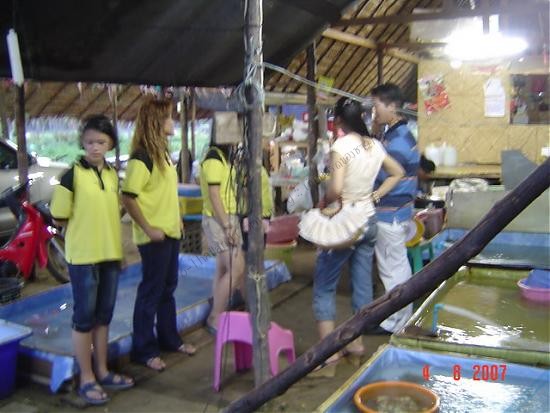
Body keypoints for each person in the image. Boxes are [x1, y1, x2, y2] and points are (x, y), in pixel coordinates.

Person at [300, 97, 404, 371]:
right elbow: (397, 172)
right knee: (362, 284)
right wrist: (375, 195)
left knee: (325, 284)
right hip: (368, 220)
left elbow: (335, 189)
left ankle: (329, 353)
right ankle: (356, 344)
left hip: (344, 222)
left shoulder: (342, 146)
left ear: (338, 121)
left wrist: (325, 202)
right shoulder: (374, 145)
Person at [50, 115, 134, 405]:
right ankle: (86, 378)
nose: (95, 147)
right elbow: (58, 216)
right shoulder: (71, 176)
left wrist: (119, 253)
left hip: (110, 255)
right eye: (89, 142)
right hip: (83, 257)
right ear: (82, 143)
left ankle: (103, 370)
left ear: (110, 143)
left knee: (104, 316)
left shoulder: (111, 175)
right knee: (84, 318)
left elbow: (113, 215)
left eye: (101, 142)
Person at [121, 98, 196, 372]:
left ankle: (169, 339)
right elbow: (128, 197)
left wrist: (177, 219)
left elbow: (165, 193)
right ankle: (143, 350)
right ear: (156, 122)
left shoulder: (162, 154)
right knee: (151, 292)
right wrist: (148, 228)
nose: (172, 121)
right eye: (167, 117)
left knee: (168, 289)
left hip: (170, 232)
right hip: (154, 237)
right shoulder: (141, 157)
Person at [371, 83, 420, 334]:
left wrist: (371, 192)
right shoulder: (396, 134)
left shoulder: (398, 140)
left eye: (377, 106)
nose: (374, 111)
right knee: (395, 265)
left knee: (393, 268)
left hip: (390, 213)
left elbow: (387, 175)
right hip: (397, 211)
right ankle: (398, 317)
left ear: (392, 106)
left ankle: (395, 322)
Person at [199, 142, 245, 334]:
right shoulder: (214, 158)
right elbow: (214, 195)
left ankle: (218, 311)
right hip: (220, 219)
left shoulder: (222, 157)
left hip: (226, 217)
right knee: (237, 268)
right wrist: (227, 225)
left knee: (223, 268)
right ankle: (215, 316)